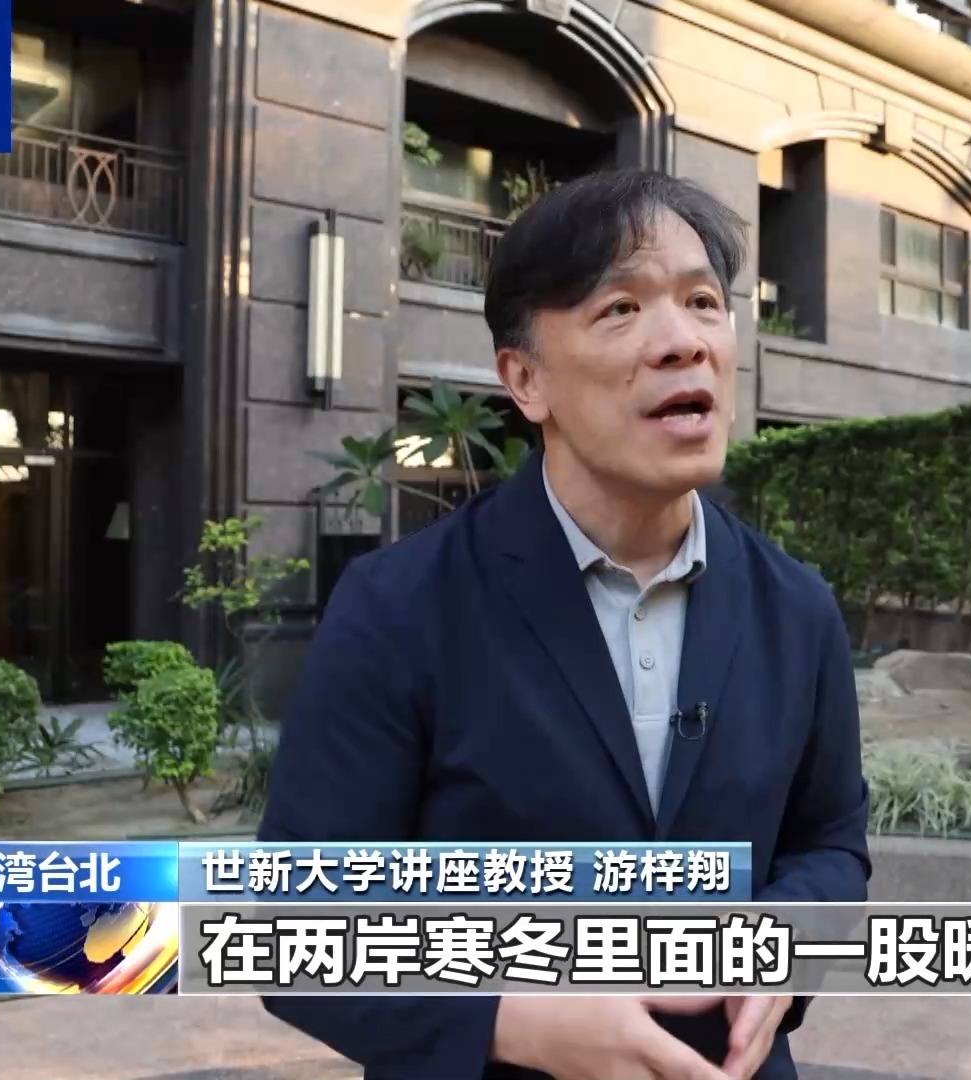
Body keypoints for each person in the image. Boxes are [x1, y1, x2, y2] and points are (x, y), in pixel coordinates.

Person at [257, 168, 872, 1080]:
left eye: (703, 302)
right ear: (525, 379)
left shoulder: (797, 608)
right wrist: (511, 1019)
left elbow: (829, 847)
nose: (683, 342)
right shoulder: (399, 607)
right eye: (620, 309)